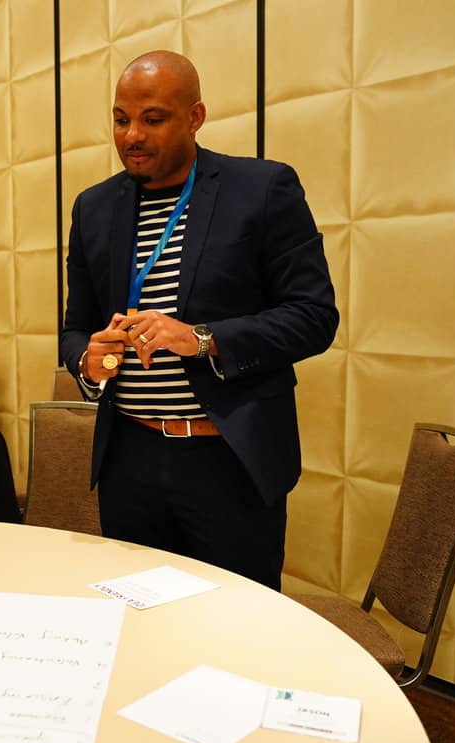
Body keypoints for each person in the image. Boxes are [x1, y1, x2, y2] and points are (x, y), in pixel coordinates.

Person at [60, 51, 339, 590]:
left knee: (235, 630)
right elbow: (73, 330)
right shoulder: (93, 208)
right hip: (130, 458)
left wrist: (203, 339)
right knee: (140, 619)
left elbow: (314, 316)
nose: (132, 135)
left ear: (195, 116)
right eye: (121, 119)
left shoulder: (261, 190)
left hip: (226, 458)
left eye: (153, 118)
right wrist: (87, 359)